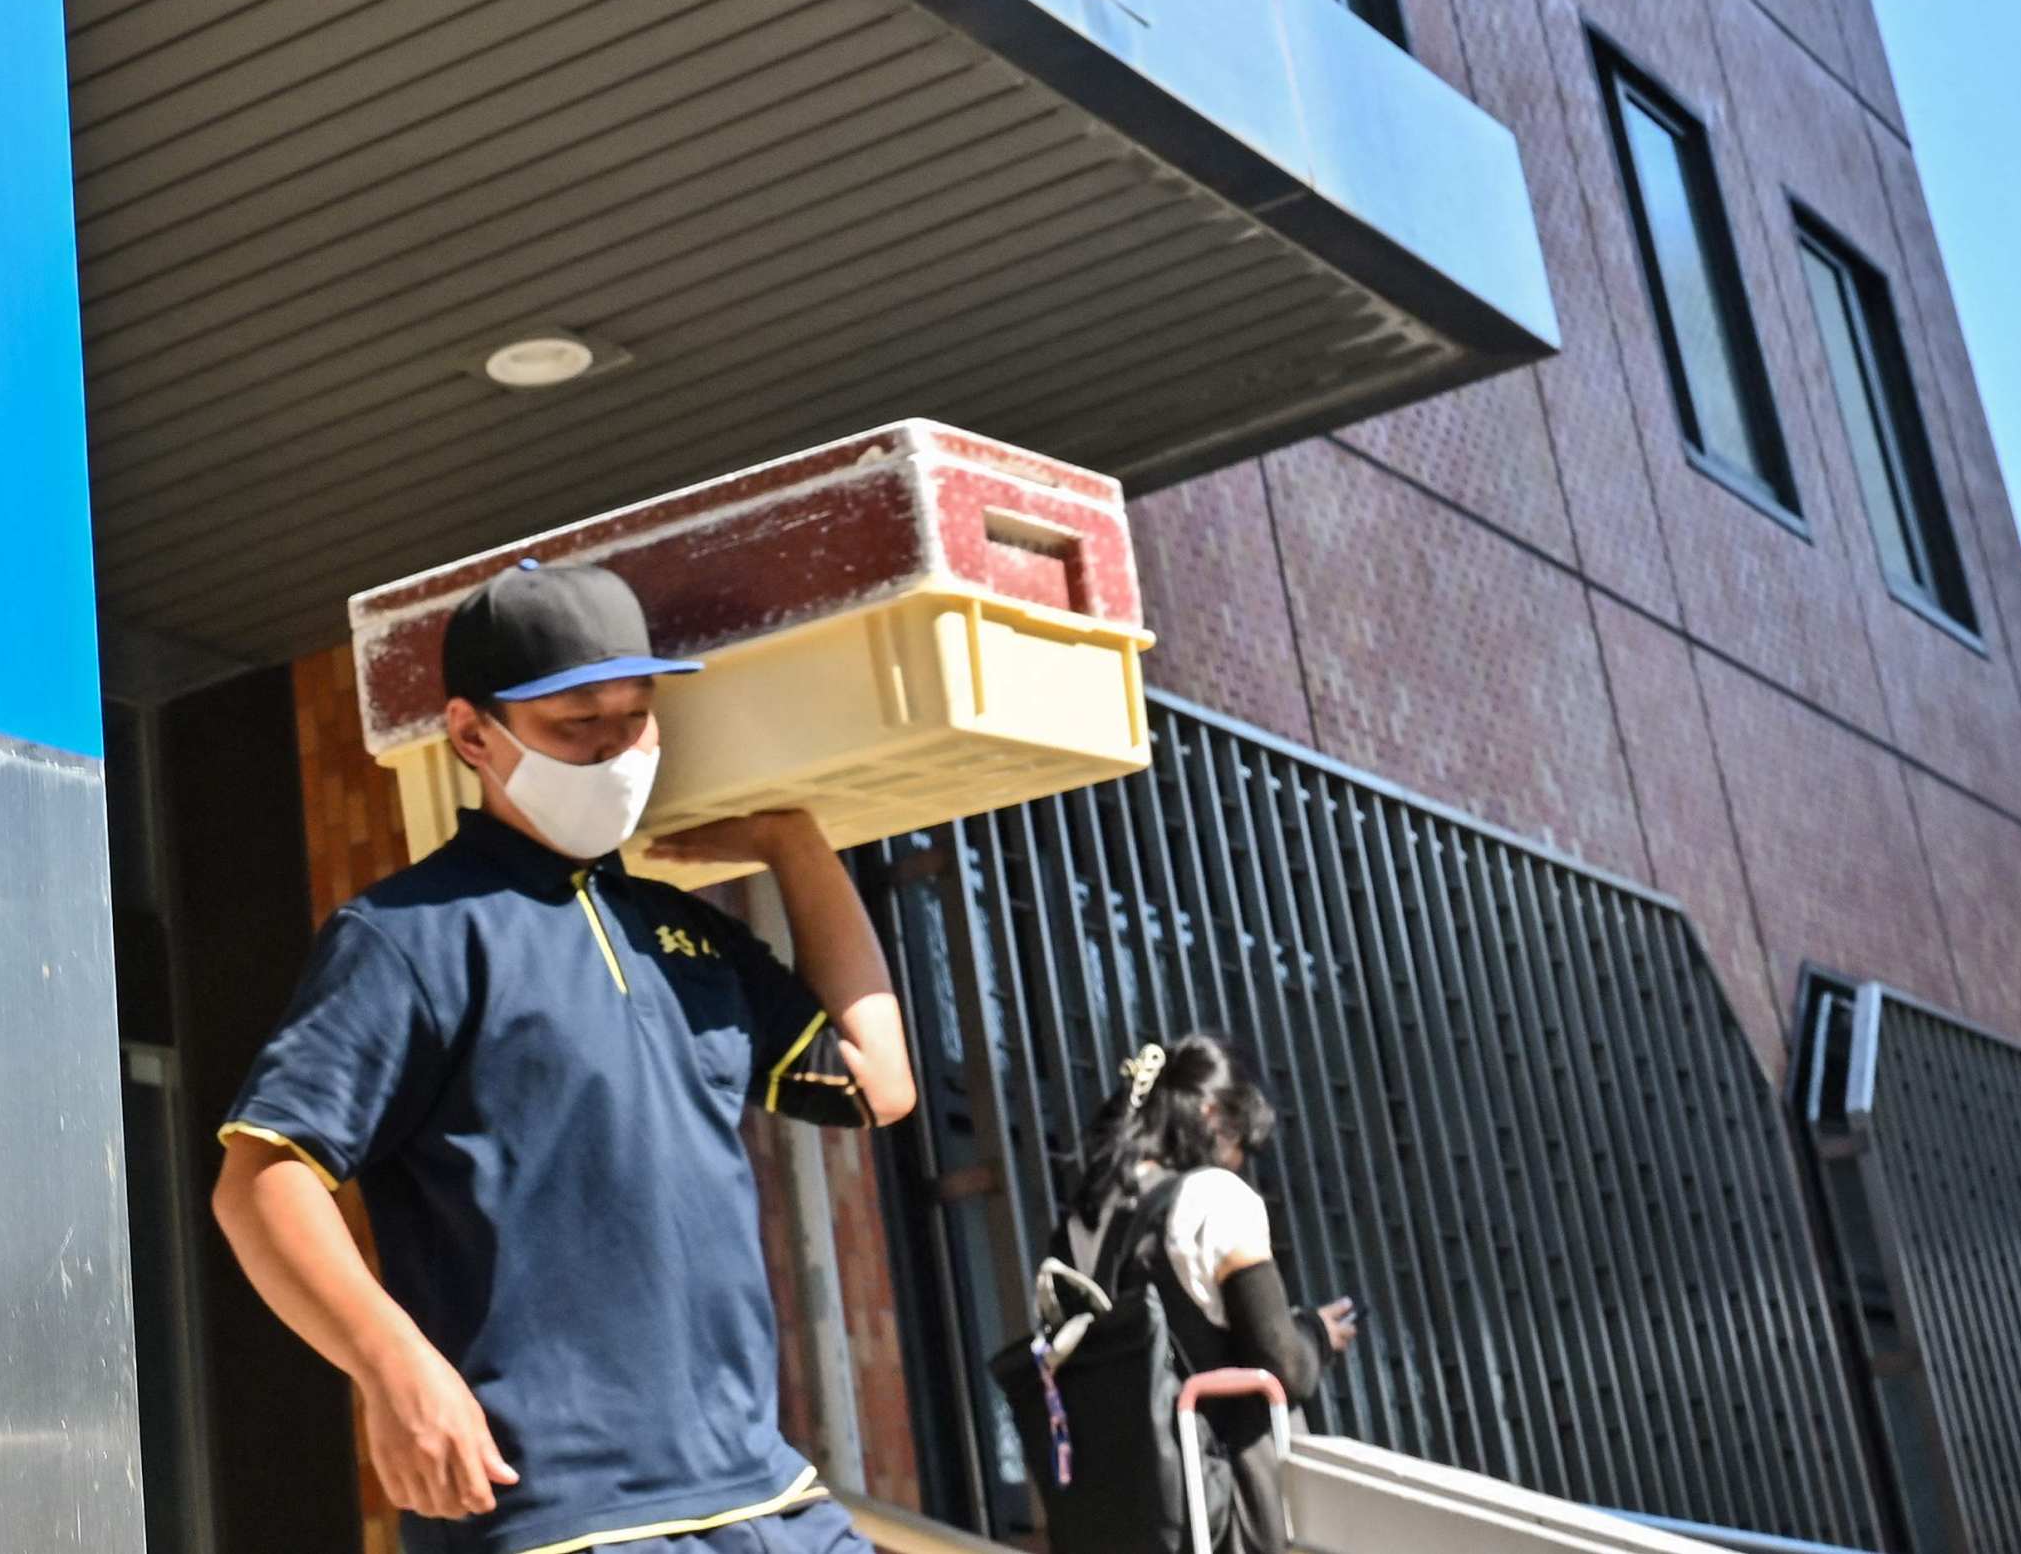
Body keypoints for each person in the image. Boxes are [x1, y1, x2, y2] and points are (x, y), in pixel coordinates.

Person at [212, 559, 920, 1554]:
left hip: (764, 1494)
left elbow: (876, 1080)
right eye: (575, 726)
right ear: (471, 734)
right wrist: (393, 1367)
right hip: (558, 1518)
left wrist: (794, 844)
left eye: (635, 721)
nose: (614, 752)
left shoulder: (685, 936)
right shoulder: (408, 937)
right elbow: (261, 1181)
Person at [1044, 1033, 1356, 1554]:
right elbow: (1284, 1363)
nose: (1239, 1162)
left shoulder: (1086, 1219)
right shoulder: (1215, 1199)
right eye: (1242, 1144)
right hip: (1226, 1507)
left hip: (1131, 1512)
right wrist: (1318, 1335)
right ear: (1212, 1115)